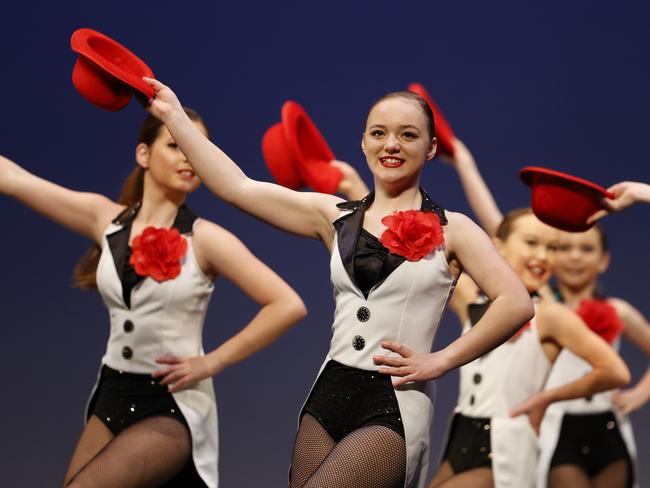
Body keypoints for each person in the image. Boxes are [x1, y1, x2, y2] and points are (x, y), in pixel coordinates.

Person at [144, 77, 537, 488]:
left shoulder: (454, 229)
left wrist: (441, 360)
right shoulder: (332, 215)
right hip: (329, 391)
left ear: (431, 148)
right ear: (363, 143)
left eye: (408, 135)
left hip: (393, 403)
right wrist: (173, 114)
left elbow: (515, 302)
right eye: (379, 133)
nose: (392, 145)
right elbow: (235, 186)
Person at [0, 108, 306, 488]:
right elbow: (14, 179)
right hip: (112, 392)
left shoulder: (205, 239)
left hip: (171, 404)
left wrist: (213, 361)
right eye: (175, 146)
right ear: (143, 154)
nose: (188, 157)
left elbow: (287, 304)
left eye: (195, 148)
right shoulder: (105, 219)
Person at [426, 141, 630, 488]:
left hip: (505, 444)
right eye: (532, 244)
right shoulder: (473, 301)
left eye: (551, 247)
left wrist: (546, 398)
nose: (543, 255)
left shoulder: (550, 314)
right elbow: (432, 244)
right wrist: (353, 184)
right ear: (498, 246)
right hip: (462, 435)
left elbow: (615, 371)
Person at [536, 226, 650, 488]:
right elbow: (501, 228)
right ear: (550, 255)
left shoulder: (617, 310)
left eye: (586, 249)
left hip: (608, 427)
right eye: (565, 248)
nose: (575, 256)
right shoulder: (544, 309)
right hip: (558, 429)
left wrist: (639, 394)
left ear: (603, 260)